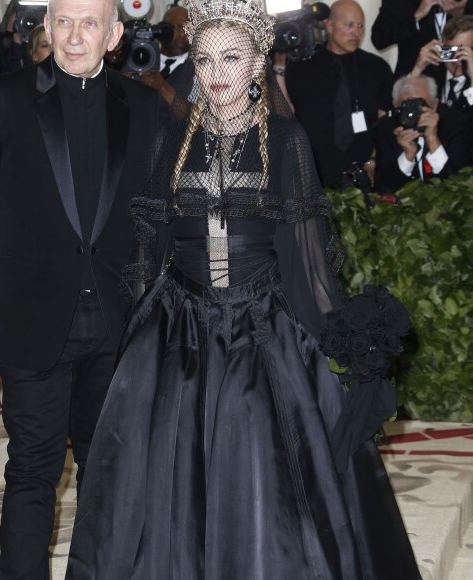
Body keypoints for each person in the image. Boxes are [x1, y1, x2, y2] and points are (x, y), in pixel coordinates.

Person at [65, 1, 422, 578]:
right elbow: (146, 251)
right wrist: (131, 340)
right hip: (175, 330)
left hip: (261, 329)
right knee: (160, 480)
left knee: (262, 468)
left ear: (258, 61)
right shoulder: (169, 140)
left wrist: (347, 350)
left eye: (231, 58)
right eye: (206, 60)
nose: (217, 73)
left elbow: (307, 260)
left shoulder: (286, 141)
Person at [0, 0, 159, 577]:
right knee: (32, 474)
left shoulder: (142, 106)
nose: (74, 35)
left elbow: (161, 219)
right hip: (32, 321)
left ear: (114, 35)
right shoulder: (4, 97)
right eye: (63, 20)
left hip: (118, 326)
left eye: (90, 23)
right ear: (47, 27)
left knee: (108, 475)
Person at [285, 0, 393, 189]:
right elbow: (288, 112)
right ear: (329, 25)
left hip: (362, 169)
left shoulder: (377, 68)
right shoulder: (302, 68)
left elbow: (383, 122)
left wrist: (375, 160)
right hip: (314, 169)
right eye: (349, 25)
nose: (356, 32)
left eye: (360, 26)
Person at [372, 74, 470, 193]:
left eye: (419, 105)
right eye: (406, 106)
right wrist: (407, 157)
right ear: (395, 105)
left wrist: (433, 141)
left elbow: (461, 186)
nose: (413, 114)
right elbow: (383, 189)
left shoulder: (456, 124)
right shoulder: (386, 128)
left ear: (434, 105)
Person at [410, 14, 473, 151]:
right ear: (442, 48)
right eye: (453, 50)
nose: (459, 59)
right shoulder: (432, 75)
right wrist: (418, 68)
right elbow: (404, 109)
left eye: (467, 50)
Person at [372, 0, 473, 78]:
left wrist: (463, 11)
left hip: (465, 83)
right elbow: (379, 38)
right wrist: (417, 15)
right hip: (417, 82)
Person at [139, 5, 194, 107]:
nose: (182, 34)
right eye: (177, 27)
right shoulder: (141, 59)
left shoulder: (198, 68)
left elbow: (194, 116)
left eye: (188, 29)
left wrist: (161, 86)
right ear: (162, 29)